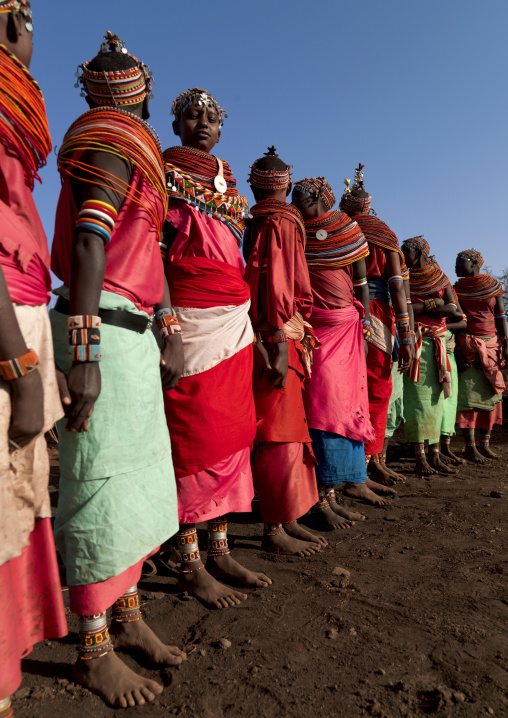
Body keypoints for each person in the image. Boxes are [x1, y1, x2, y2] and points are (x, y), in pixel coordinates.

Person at [50, 33, 185, 708]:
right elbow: (86, 242)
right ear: (140, 93)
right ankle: (91, 647)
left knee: (133, 483)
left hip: (126, 330)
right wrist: (84, 355)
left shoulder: (127, 147)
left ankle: (128, 616)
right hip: (100, 326)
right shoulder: (109, 141)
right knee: (97, 484)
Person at [162, 89, 271, 608]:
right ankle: (189, 563)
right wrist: (163, 321)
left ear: (222, 128)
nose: (202, 123)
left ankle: (221, 548)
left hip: (233, 318)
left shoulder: (233, 194)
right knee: (191, 436)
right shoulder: (161, 176)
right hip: (186, 319)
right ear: (176, 124)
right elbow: (155, 251)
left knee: (231, 432)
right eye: (192, 115)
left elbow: (241, 259)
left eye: (211, 117)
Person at [0, 4, 67, 716]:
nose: (29, 32)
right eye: (23, 16)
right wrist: (17, 364)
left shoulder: (16, 111)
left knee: (22, 493)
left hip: (22, 314)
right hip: (6, 331)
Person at [292, 176, 392, 517]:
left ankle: (339, 487)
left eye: (301, 196)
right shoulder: (297, 232)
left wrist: (364, 327)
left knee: (348, 405)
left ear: (321, 197)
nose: (295, 201)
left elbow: (362, 284)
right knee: (321, 406)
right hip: (315, 328)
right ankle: (320, 495)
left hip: (347, 328)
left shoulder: (349, 230)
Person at [243, 150, 325, 555]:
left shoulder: (256, 220)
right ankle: (274, 526)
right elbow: (277, 283)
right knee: (278, 430)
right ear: (288, 188)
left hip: (273, 330)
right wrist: (277, 340)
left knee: (287, 427)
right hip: (277, 332)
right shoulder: (280, 222)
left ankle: (287, 515)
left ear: (253, 186)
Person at [339, 165, 412, 489]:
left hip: (337, 312)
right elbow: (398, 287)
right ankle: (367, 465)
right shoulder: (383, 234)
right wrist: (407, 335)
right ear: (369, 205)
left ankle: (364, 464)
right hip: (378, 313)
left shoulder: (337, 230)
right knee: (378, 390)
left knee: (347, 390)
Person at [401, 236, 462, 475]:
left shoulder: (441, 277)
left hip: (437, 343)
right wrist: (432, 304)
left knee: (437, 401)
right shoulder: (403, 276)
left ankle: (435, 454)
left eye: (407, 251)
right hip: (415, 343)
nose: (404, 256)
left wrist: (423, 307)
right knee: (417, 401)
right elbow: (403, 308)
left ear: (421, 252)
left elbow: (453, 310)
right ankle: (419, 457)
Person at [454, 248, 507, 461]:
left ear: (474, 263)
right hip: (468, 346)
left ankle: (485, 444)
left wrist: (506, 341)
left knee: (492, 394)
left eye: (460, 262)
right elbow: (456, 320)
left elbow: (501, 316)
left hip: (493, 345)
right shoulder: (455, 289)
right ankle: (470, 446)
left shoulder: (494, 287)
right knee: (468, 398)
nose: (456, 266)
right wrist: (459, 349)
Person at [439, 288, 467, 464]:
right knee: (434, 402)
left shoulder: (450, 296)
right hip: (429, 343)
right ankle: (431, 448)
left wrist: (441, 326)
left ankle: (445, 447)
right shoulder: (416, 287)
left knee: (449, 403)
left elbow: (463, 322)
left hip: (447, 348)